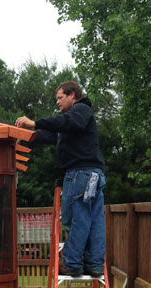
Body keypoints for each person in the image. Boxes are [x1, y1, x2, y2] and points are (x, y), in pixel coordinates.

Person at [15, 81, 105, 277]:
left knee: (76, 218)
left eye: (59, 97)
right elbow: (54, 135)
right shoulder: (76, 122)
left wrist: (35, 122)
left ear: (72, 94)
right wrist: (30, 134)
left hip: (81, 175)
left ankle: (72, 262)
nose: (57, 102)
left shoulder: (81, 110)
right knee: (94, 220)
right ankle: (95, 264)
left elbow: (64, 122)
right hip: (93, 175)